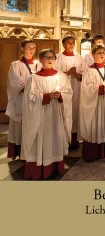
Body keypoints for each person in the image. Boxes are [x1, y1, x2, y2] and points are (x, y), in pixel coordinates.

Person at [21, 49, 73, 180]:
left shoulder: (61, 76)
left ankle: (54, 166)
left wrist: (60, 95)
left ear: (55, 59)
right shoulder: (33, 78)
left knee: (54, 136)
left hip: (55, 112)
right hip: (40, 114)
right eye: (46, 57)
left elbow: (68, 92)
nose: (49, 60)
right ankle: (39, 167)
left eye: (52, 57)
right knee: (41, 138)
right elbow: (29, 98)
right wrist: (46, 96)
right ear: (40, 59)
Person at [78, 45, 105, 162]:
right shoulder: (88, 70)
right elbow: (86, 89)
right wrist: (101, 89)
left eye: (103, 52)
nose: (102, 55)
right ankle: (93, 153)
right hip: (94, 105)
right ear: (93, 55)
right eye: (99, 53)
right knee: (95, 125)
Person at [6, 39, 41, 160]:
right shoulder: (16, 65)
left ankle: (33, 150)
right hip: (21, 101)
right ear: (22, 49)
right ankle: (21, 152)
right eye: (28, 47)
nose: (31, 50)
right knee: (21, 125)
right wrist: (32, 86)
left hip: (37, 100)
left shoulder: (40, 64)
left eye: (33, 48)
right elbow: (15, 84)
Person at [54, 36, 85, 149]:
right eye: (68, 43)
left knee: (75, 111)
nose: (71, 45)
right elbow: (54, 73)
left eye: (73, 43)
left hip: (77, 87)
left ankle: (74, 139)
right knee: (64, 110)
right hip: (63, 88)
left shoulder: (80, 58)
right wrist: (67, 73)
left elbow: (85, 73)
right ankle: (63, 139)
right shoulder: (58, 58)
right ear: (63, 44)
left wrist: (77, 75)